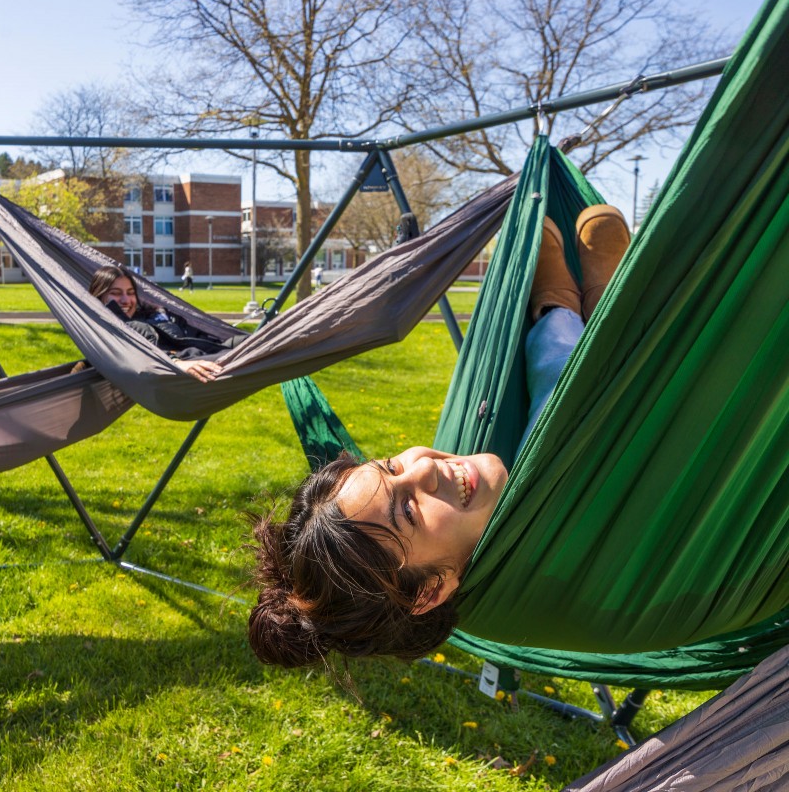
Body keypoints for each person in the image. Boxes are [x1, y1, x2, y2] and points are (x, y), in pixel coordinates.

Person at [248, 204, 631, 668]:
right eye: (408, 509)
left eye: (391, 466)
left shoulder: (472, 514)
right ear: (430, 592)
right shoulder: (562, 572)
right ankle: (596, 304)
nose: (424, 465)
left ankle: (563, 303)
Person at [88, 265, 246, 383]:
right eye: (115, 293)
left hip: (213, 346)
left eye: (130, 293)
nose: (126, 300)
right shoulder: (115, 330)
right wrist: (176, 363)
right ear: (99, 296)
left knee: (259, 340)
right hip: (197, 362)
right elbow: (141, 355)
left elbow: (192, 330)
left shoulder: (155, 312)